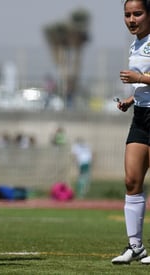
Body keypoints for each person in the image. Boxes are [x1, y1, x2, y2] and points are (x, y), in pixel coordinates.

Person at [111, 0, 150, 265]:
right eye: (127, 15)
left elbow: (144, 78)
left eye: (137, 13)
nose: (131, 19)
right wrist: (131, 98)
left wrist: (139, 79)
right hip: (141, 116)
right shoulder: (135, 43)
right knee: (131, 181)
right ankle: (135, 247)